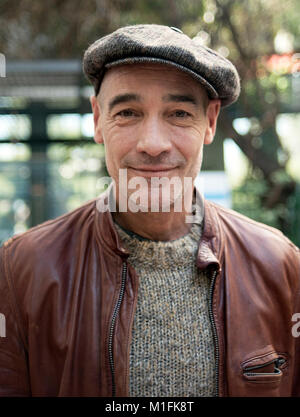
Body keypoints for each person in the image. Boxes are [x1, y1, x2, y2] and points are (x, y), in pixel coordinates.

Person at [0, 24, 299, 398]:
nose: (153, 144)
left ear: (209, 121)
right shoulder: (21, 269)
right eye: (128, 112)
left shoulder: (280, 265)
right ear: (97, 120)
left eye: (178, 114)